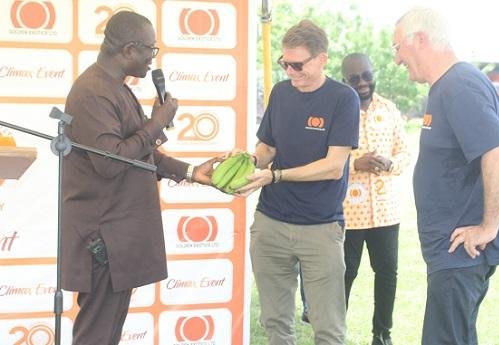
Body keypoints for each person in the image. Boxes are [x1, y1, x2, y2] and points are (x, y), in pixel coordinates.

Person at [61, 11, 220, 344]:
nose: (153, 58)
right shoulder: (93, 92)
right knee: (96, 335)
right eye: (151, 49)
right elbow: (112, 162)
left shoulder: (115, 87)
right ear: (130, 49)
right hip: (103, 237)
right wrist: (158, 121)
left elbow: (141, 154)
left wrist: (190, 172)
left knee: (107, 333)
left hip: (120, 235)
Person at [393, 7, 499, 344]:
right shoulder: (448, 85)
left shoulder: (458, 86)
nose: (396, 60)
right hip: (452, 253)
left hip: (460, 254)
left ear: (419, 39)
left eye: (397, 48)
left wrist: (489, 227)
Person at [236, 19, 360, 344]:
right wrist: (246, 162)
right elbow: (268, 147)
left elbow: (334, 166)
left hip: (320, 228)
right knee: (275, 323)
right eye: (284, 63)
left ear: (322, 59)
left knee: (328, 329)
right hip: (270, 224)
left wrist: (274, 175)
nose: (290, 72)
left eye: (297, 64)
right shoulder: (280, 92)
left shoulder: (343, 99)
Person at [340, 53, 410, 345]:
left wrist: (390, 163)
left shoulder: (390, 110)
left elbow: (405, 153)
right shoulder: (338, 110)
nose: (362, 83)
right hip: (348, 212)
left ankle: (382, 334)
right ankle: (333, 331)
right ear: (345, 80)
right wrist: (357, 162)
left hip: (386, 212)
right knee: (344, 274)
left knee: (387, 274)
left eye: (366, 75)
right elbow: (324, 156)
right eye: (354, 78)